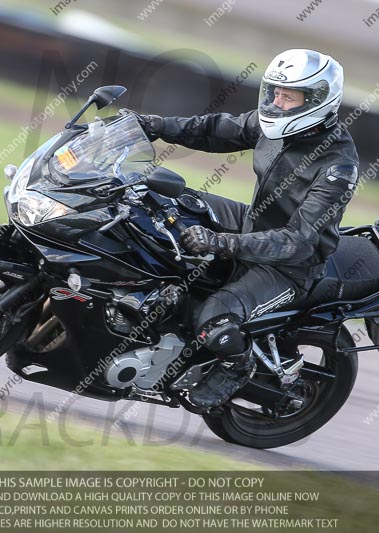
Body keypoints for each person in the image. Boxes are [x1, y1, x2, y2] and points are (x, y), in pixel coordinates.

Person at [127, 49, 359, 409]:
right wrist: (155, 126)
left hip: (289, 265)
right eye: (274, 93)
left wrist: (220, 243)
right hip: (254, 222)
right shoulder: (276, 123)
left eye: (288, 97)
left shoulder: (337, 167)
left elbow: (298, 242)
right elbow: (216, 130)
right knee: (166, 200)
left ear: (317, 100)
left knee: (213, 317)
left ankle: (236, 365)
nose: (276, 103)